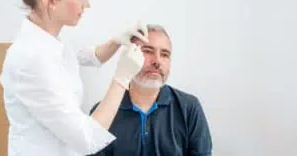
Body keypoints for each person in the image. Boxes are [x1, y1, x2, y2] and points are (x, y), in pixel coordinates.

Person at [0, 0, 149, 156]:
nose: (87, 4)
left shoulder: (48, 40)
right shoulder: (29, 60)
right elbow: (87, 138)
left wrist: (116, 42)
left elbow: (85, 56)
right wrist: (122, 78)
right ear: (51, 0)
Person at [90, 24, 213, 156]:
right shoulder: (102, 114)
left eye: (165, 54)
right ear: (129, 56)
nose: (157, 61)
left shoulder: (188, 107)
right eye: (148, 51)